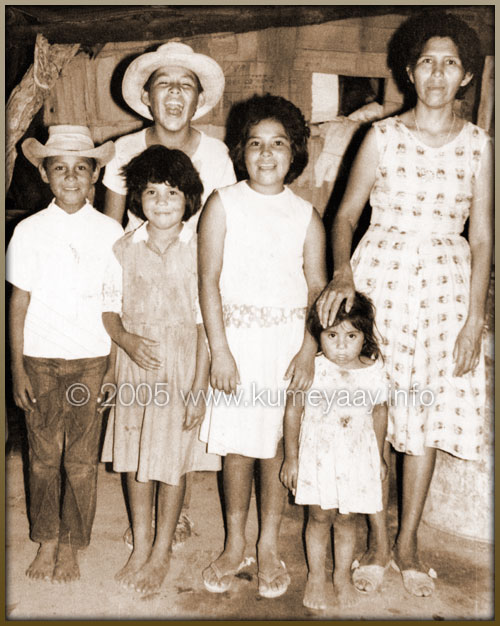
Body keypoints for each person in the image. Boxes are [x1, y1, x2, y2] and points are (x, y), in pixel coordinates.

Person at [317, 12, 492, 598]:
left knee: (426, 417)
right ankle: (377, 539)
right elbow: (343, 215)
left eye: (450, 63)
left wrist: (475, 318)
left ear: (465, 76)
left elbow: (485, 237)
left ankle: (410, 544)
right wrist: (342, 273)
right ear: (410, 71)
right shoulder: (382, 136)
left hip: (445, 290)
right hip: (382, 280)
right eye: (427, 61)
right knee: (376, 412)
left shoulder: (479, 145)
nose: (438, 72)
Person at [198, 94, 327, 598]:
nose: (266, 155)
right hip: (237, 344)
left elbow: (317, 290)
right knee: (236, 448)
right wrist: (221, 350)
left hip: (286, 345)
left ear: (294, 153)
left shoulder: (306, 214)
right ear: (241, 151)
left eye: (278, 144)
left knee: (274, 444)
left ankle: (268, 543)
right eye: (256, 144)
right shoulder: (223, 203)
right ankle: (235, 544)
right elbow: (208, 279)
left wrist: (307, 350)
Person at [100, 145, 220, 594]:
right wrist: (126, 342)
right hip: (134, 365)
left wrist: (199, 387)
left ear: (189, 198)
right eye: (152, 192)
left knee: (173, 460)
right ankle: (142, 542)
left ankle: (163, 549)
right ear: (137, 199)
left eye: (172, 192)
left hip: (182, 365)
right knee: (133, 457)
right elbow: (109, 311)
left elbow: (207, 323)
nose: (163, 201)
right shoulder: (122, 248)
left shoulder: (200, 249)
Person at [7, 126, 123, 583]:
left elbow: (113, 302)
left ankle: (72, 543)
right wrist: (16, 368)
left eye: (81, 168)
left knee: (79, 458)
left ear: (95, 175)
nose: (71, 177)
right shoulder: (29, 231)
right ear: (44, 174)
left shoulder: (110, 231)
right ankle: (47, 540)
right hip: (39, 359)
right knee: (41, 454)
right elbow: (17, 303)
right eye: (60, 168)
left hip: (91, 361)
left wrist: (112, 366)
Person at [281, 292, 388, 610]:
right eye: (332, 336)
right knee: (318, 517)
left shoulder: (372, 370)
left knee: (346, 518)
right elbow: (292, 411)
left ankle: (341, 573)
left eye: (351, 336)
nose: (341, 346)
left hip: (356, 457)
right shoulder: (313, 368)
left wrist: (379, 455)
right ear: (318, 335)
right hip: (319, 457)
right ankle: (316, 575)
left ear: (364, 336)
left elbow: (380, 412)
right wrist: (291, 457)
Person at [103, 40, 236, 230]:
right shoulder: (123, 149)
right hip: (135, 256)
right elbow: (111, 228)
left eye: (186, 84)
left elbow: (225, 226)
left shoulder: (217, 154)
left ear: (199, 100)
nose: (175, 89)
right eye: (163, 82)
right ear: (146, 96)